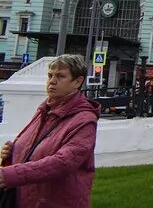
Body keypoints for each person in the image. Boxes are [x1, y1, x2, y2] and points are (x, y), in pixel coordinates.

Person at [0, 53, 100, 207]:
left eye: (60, 76)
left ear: (77, 82)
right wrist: (12, 152)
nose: (52, 81)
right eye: (50, 75)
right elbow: (36, 147)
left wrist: (13, 174)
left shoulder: (84, 119)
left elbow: (64, 162)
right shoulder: (45, 110)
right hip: (27, 199)